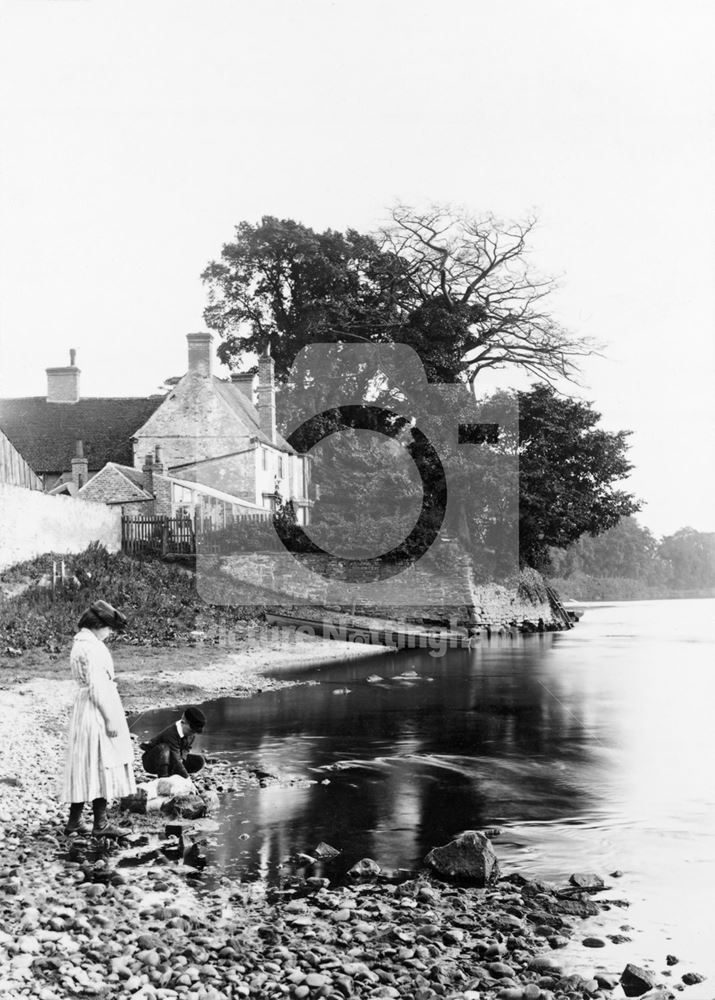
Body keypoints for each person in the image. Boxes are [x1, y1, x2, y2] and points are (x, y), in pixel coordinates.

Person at [59, 600, 135, 837]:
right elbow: (96, 687)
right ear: (98, 625)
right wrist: (110, 718)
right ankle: (100, 824)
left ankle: (74, 822)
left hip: (86, 708)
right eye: (109, 628)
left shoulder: (81, 643)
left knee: (85, 764)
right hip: (96, 710)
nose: (110, 633)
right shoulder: (92, 648)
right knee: (103, 762)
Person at [140, 706, 206, 779]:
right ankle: (163, 778)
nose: (192, 734)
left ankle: (173, 773)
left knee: (199, 761)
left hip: (172, 759)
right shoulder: (171, 733)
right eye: (191, 731)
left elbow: (187, 748)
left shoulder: (191, 734)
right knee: (164, 749)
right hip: (152, 762)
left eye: (194, 732)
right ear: (183, 722)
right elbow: (175, 759)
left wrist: (182, 758)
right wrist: (187, 778)